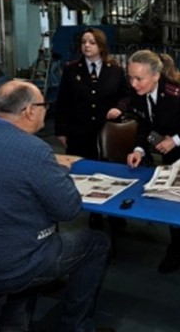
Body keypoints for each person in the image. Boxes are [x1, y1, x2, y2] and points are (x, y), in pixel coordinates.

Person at [0, 80, 111, 332]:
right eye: (44, 105)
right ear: (30, 111)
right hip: (10, 268)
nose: (46, 110)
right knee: (97, 243)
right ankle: (76, 327)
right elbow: (69, 209)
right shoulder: (34, 150)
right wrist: (59, 171)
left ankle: (16, 320)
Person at [126, 50, 180, 274]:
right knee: (171, 200)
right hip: (168, 153)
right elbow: (144, 125)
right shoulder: (138, 93)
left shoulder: (178, 94)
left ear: (156, 76)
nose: (133, 84)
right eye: (131, 78)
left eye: (139, 78)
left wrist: (175, 140)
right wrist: (139, 149)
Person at [55, 28, 131, 229]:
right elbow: (62, 102)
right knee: (87, 173)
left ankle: (115, 214)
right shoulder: (72, 70)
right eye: (83, 42)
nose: (87, 46)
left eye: (92, 42)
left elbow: (127, 95)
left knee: (112, 173)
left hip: (108, 132)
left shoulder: (115, 70)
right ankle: (94, 213)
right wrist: (61, 130)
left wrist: (119, 107)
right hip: (80, 131)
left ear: (101, 45)